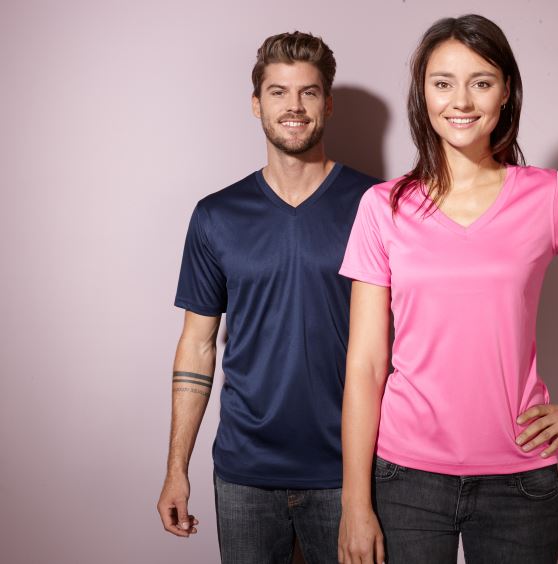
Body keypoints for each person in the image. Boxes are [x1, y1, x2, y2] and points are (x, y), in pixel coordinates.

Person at [337, 14, 558, 564]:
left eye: (481, 82)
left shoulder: (548, 196)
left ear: (506, 91)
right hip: (405, 478)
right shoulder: (383, 207)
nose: (461, 101)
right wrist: (355, 502)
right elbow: (366, 364)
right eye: (443, 82)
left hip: (519, 482)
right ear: (423, 94)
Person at [156, 31, 380, 564]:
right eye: (278, 92)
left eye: (308, 92)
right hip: (245, 473)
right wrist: (176, 468)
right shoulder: (216, 215)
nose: (294, 106)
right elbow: (198, 346)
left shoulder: (374, 205)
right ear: (257, 104)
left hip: (349, 471)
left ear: (328, 104)